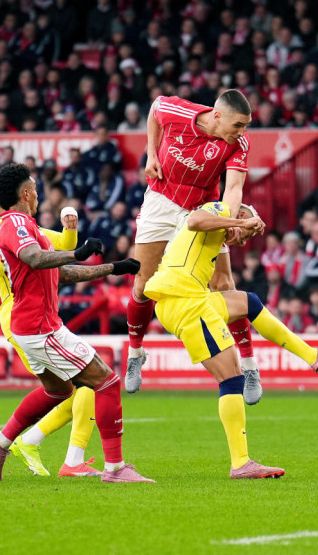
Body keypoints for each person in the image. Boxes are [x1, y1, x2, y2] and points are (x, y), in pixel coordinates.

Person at [143, 200, 318, 478]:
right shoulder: (221, 211)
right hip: (185, 302)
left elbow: (222, 280)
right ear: (241, 214)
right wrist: (240, 223)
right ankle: (240, 463)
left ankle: (315, 356)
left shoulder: (218, 233)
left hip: (186, 299)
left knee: (247, 302)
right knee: (231, 379)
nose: (242, 240)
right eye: (246, 232)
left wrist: (238, 228)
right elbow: (195, 221)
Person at [0, 164, 151, 483]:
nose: (38, 194)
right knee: (108, 382)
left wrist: (111, 268)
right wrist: (76, 251)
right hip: (40, 327)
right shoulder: (14, 223)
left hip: (28, 326)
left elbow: (56, 273)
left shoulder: (27, 226)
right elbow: (35, 258)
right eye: (35, 188)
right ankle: (115, 469)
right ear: (26, 193)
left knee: (58, 390)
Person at [126, 89, 264, 403]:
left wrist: (228, 221)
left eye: (246, 126)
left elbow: (233, 188)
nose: (242, 133)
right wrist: (151, 153)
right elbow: (154, 109)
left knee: (224, 283)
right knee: (143, 284)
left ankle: (249, 364)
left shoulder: (237, 143)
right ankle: (135, 352)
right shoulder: (178, 112)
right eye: (238, 125)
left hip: (202, 208)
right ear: (217, 116)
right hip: (161, 200)